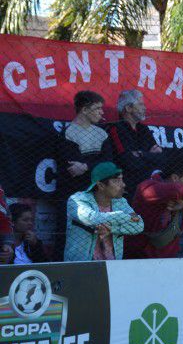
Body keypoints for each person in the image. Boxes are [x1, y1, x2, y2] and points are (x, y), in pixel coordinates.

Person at [126, 154, 183, 259]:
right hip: (139, 258)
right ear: (175, 177)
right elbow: (177, 190)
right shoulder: (148, 187)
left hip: (169, 259)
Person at [54, 91, 109, 258]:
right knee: (70, 238)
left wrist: (85, 166)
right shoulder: (68, 133)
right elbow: (72, 169)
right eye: (97, 108)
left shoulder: (102, 134)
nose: (102, 112)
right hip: (74, 196)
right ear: (84, 110)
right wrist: (96, 166)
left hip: (98, 195)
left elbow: (109, 164)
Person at [64, 162, 144, 262]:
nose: (123, 185)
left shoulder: (121, 202)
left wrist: (112, 229)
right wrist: (123, 216)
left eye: (122, 179)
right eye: (116, 181)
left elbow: (139, 225)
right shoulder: (77, 200)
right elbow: (92, 219)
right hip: (81, 267)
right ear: (101, 185)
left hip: (113, 266)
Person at [102, 89, 164, 192]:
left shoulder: (143, 129)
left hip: (147, 184)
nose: (144, 108)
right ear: (128, 108)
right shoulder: (115, 129)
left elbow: (161, 157)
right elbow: (128, 161)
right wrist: (149, 155)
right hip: (126, 186)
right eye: (140, 104)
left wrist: (141, 154)